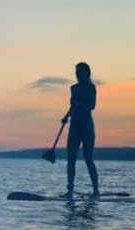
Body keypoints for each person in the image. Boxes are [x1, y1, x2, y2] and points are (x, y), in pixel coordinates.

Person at [60, 62, 99, 198]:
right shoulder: (74, 88)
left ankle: (96, 191)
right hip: (74, 126)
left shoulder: (91, 87)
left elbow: (92, 105)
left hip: (87, 126)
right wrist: (66, 117)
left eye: (80, 71)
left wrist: (80, 104)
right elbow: (72, 106)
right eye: (76, 71)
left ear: (87, 72)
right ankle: (70, 190)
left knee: (88, 158)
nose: (77, 74)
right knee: (71, 159)